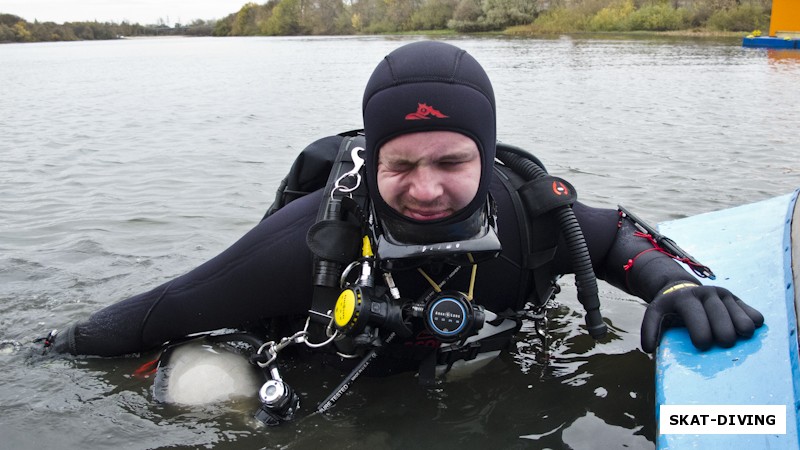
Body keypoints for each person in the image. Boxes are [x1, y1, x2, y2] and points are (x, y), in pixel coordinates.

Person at [48, 41, 763, 381]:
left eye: (451, 162)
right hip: (331, 372)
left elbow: (619, 240)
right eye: (401, 165)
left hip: (481, 370)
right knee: (207, 394)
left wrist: (673, 285)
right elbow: (156, 312)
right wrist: (40, 353)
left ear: (484, 156)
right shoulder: (307, 243)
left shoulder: (529, 211)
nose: (425, 189)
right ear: (375, 161)